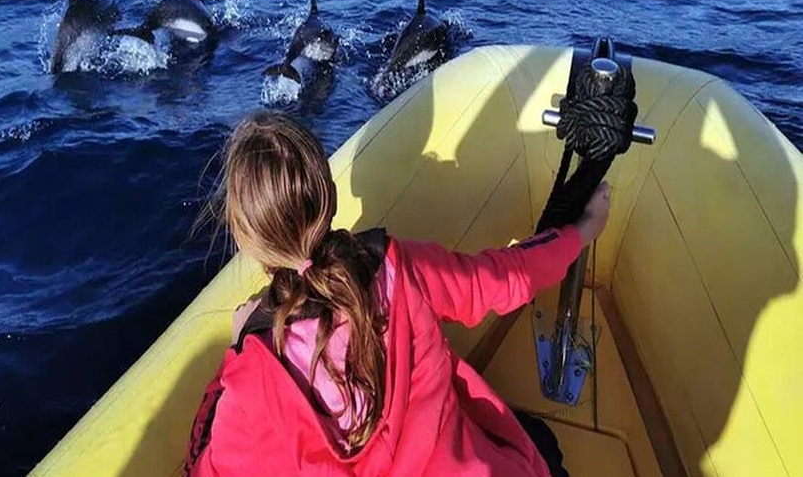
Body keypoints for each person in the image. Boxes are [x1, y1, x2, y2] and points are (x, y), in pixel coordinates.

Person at [185, 111, 610, 477]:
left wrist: (236, 349)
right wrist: (580, 231)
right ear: (329, 198)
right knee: (541, 443)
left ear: (246, 239)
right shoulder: (399, 266)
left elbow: (203, 466)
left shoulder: (253, 374)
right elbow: (507, 277)